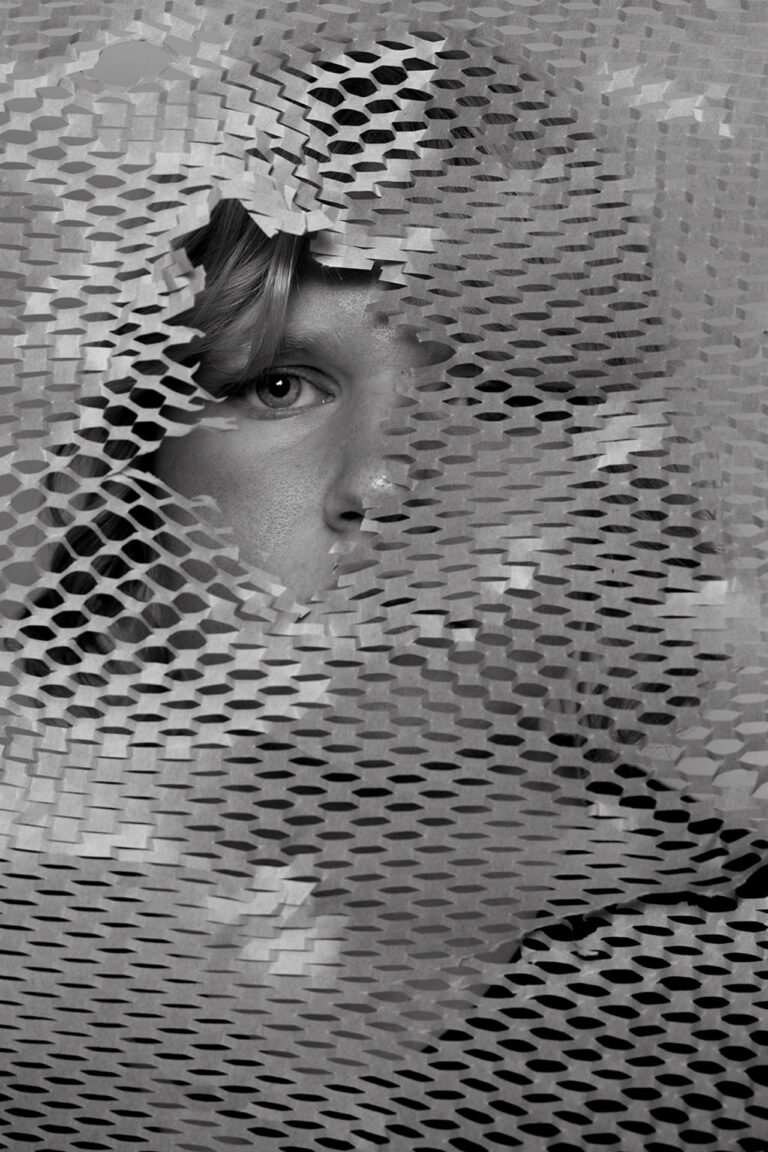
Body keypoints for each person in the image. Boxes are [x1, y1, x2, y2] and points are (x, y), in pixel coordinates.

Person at [0, 13, 766, 1152]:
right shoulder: (51, 921)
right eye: (277, 387)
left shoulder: (693, 955)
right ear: (132, 453)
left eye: (496, 393)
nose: (383, 483)